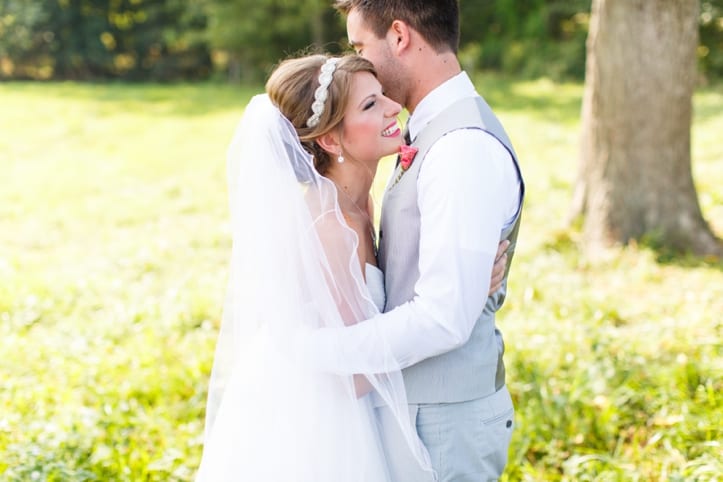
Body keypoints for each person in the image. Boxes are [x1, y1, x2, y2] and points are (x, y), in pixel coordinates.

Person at [302, 1, 526, 481]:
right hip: (418, 415)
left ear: (400, 36)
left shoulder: (460, 148)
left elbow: (445, 317)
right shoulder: (427, 131)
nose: (357, 60)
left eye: (361, 45)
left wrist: (314, 353)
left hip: (444, 424)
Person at [195, 54, 437, 481]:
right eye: (369, 105)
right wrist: (440, 308)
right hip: (321, 431)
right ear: (329, 141)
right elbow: (355, 379)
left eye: (382, 95)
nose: (391, 107)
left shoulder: (355, 204)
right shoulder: (332, 228)